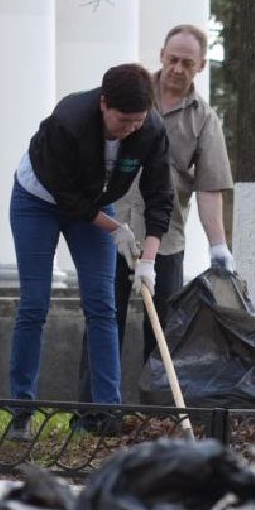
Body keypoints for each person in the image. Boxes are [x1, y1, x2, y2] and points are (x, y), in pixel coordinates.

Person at [5, 63, 174, 439]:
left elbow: (161, 196)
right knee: (34, 304)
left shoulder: (150, 130)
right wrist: (115, 229)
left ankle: (106, 412)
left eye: (137, 121)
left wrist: (148, 259)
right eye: (123, 120)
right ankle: (21, 412)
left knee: (102, 305)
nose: (130, 128)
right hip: (38, 200)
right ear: (103, 104)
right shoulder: (69, 121)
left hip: (95, 204)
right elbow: (67, 198)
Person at [78, 25, 235, 406]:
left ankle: (156, 417)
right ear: (162, 54)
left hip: (164, 238)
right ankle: (94, 414)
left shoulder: (204, 119)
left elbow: (209, 187)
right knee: (102, 321)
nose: (177, 69)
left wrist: (218, 246)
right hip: (111, 228)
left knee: (162, 331)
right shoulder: (129, 94)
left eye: (187, 63)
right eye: (172, 59)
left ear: (201, 66)